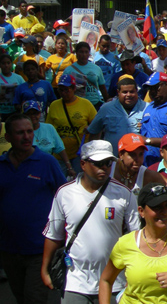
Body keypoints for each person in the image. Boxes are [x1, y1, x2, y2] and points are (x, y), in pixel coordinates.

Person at [41, 141, 140, 302]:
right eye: (98, 163)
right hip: (75, 283)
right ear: (83, 164)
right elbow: (53, 235)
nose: (104, 167)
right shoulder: (64, 193)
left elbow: (135, 237)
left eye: (108, 163)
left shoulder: (124, 194)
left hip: (115, 282)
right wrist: (45, 270)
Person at [0, 114, 66, 304]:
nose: (27, 136)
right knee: (20, 296)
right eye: (20, 133)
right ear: (8, 137)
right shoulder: (2, 165)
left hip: (40, 249)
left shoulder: (47, 163)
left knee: (34, 299)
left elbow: (64, 198)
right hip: (8, 249)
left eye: (30, 131)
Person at [46, 75, 97, 174]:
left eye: (66, 90)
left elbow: (97, 125)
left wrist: (90, 128)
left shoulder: (86, 104)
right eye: (61, 90)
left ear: (74, 89)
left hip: (80, 154)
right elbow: (49, 129)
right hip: (59, 154)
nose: (63, 93)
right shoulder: (54, 105)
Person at [86, 76, 146, 152]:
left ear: (137, 91)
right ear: (118, 92)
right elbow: (94, 132)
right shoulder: (106, 108)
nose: (128, 95)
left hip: (140, 158)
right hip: (113, 158)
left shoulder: (147, 108)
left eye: (132, 92)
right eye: (125, 92)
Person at [21, 100, 72, 174]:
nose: (32, 116)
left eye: (35, 113)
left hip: (47, 169)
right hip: (27, 169)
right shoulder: (20, 131)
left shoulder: (49, 128)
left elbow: (60, 149)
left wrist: (69, 167)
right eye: (29, 114)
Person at [63, 42, 109, 108]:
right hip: (76, 105)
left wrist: (107, 102)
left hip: (94, 104)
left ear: (89, 54)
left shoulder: (96, 68)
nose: (84, 54)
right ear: (76, 53)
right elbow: (64, 89)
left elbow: (102, 88)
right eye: (81, 52)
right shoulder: (69, 70)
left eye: (86, 52)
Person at [0, 53, 25, 119]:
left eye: (8, 63)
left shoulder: (18, 78)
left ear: (11, 64)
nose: (6, 66)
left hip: (15, 111)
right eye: (3, 63)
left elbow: (25, 91)